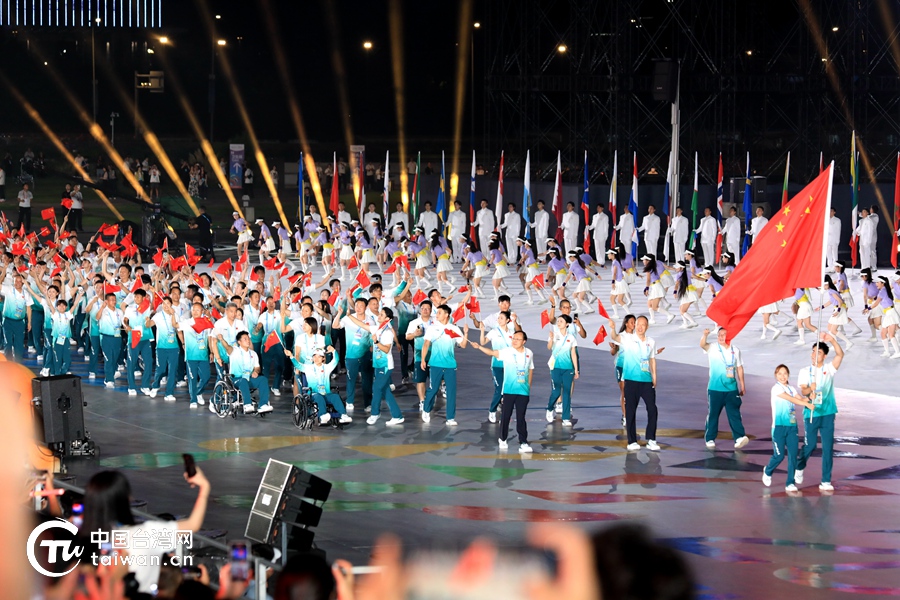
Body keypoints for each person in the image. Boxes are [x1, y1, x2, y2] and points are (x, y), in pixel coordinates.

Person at [80, 468, 211, 594]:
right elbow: (193, 524)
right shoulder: (146, 534)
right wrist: (204, 488)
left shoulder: (83, 542)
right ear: (126, 499)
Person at [470, 329, 534, 453]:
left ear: (524, 341)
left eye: (518, 339)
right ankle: (503, 438)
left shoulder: (529, 353)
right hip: (509, 390)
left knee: (521, 417)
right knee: (506, 416)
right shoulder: (507, 352)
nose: (514, 341)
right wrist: (479, 347)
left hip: (523, 391)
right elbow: (492, 352)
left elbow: (531, 369)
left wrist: (528, 386)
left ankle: (523, 442)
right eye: (513, 338)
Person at [795, 333, 844, 492]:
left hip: (828, 413)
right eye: (813, 351)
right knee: (810, 445)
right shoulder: (805, 371)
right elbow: (803, 391)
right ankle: (799, 466)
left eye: (819, 352)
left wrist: (832, 340)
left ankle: (825, 480)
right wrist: (811, 390)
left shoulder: (829, 369)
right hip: (812, 413)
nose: (814, 355)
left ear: (825, 356)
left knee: (828, 448)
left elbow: (840, 355)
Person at [343, 307, 405, 425]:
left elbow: (386, 349)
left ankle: (375, 413)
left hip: (385, 365)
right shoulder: (377, 328)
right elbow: (362, 325)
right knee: (385, 391)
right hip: (378, 365)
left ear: (387, 319)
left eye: (381, 315)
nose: (378, 316)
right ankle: (397, 416)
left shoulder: (387, 332)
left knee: (376, 388)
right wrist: (350, 316)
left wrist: (376, 342)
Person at [608, 315, 659, 452]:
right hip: (630, 380)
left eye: (643, 324)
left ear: (647, 326)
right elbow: (615, 337)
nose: (640, 327)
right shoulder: (628, 339)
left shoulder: (651, 342)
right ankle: (632, 441)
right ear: (635, 325)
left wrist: (654, 376)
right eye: (638, 324)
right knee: (630, 410)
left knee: (652, 409)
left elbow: (652, 359)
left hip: (646, 381)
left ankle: (651, 439)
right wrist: (612, 329)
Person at [764, 364, 815, 492]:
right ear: (776, 375)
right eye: (780, 374)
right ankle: (768, 471)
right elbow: (792, 400)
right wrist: (804, 403)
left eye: (785, 373)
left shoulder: (791, 389)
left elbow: (800, 399)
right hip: (779, 428)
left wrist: (809, 397)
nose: (782, 376)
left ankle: (790, 483)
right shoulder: (776, 389)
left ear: (788, 375)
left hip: (792, 427)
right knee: (779, 456)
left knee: (793, 456)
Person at [700, 327, 748, 449]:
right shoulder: (713, 347)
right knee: (713, 414)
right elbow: (703, 345)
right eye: (719, 335)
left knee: (734, 414)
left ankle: (739, 438)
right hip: (715, 389)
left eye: (723, 334)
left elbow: (739, 367)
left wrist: (742, 384)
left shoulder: (735, 350)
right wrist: (705, 335)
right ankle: (710, 438)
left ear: (729, 336)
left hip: (731, 389)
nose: (721, 337)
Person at [421, 304, 469, 425]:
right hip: (435, 364)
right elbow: (426, 344)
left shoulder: (454, 329)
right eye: (437, 313)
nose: (437, 315)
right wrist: (423, 360)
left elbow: (463, 345)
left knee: (451, 392)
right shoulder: (432, 328)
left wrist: (466, 333)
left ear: (446, 315)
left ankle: (450, 418)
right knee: (433, 389)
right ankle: (426, 409)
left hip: (450, 365)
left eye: (439, 313)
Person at [286, 346, 353, 425]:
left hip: (326, 393)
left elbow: (335, 360)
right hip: (313, 394)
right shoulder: (308, 368)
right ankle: (323, 415)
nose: (316, 358)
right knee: (319, 397)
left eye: (319, 357)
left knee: (335, 396)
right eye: (314, 356)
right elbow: (298, 365)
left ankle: (343, 415)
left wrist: (334, 351)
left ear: (323, 358)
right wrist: (291, 356)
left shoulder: (327, 368)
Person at [223, 330, 273, 413]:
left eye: (248, 339)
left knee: (263, 379)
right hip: (236, 379)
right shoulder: (234, 351)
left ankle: (263, 405)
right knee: (243, 381)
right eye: (245, 339)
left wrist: (256, 372)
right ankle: (247, 405)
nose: (248, 341)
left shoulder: (253, 354)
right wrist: (221, 339)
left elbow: (257, 367)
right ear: (239, 342)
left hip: (249, 378)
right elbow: (227, 347)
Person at [478, 310, 514, 423]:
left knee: (507, 389)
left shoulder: (512, 333)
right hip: (497, 365)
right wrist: (482, 331)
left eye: (501, 318)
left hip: (509, 365)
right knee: (499, 389)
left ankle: (505, 410)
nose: (499, 320)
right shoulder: (494, 332)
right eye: (498, 318)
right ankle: (492, 410)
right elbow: (483, 342)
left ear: (508, 320)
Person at [546, 314, 579, 426]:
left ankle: (566, 418)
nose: (558, 323)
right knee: (556, 391)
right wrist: (551, 339)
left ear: (567, 324)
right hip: (555, 367)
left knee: (566, 392)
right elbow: (549, 347)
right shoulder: (554, 334)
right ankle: (550, 408)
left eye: (561, 321)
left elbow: (573, 354)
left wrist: (576, 369)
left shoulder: (571, 338)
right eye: (558, 321)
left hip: (568, 368)